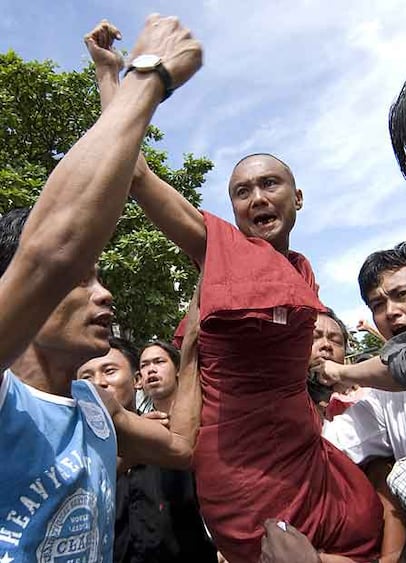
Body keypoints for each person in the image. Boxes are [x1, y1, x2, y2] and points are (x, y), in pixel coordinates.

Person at [87, 20, 384, 563]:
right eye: (241, 192)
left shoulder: (302, 270)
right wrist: (112, 76)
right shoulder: (218, 250)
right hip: (243, 471)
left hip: (306, 454)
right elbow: (134, 172)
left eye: (269, 185)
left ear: (299, 197)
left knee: (372, 523)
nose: (255, 198)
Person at [0, 14, 203, 561]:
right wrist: (147, 75)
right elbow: (52, 251)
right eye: (82, 279)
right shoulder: (5, 398)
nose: (105, 295)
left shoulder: (98, 408)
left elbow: (182, 448)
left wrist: (195, 336)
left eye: (100, 278)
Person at [78, 336, 217, 563]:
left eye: (109, 371)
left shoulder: (170, 436)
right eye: (86, 377)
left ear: (136, 381)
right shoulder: (71, 453)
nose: (98, 383)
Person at [316, 242, 406, 394]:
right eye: (377, 305)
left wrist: (340, 372)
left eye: (402, 294)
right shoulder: (379, 397)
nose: (390, 311)